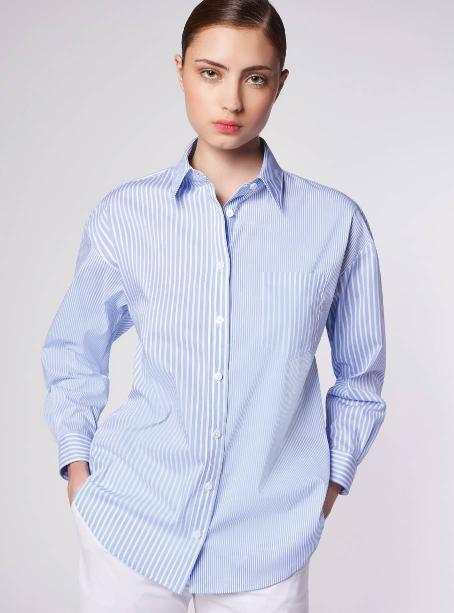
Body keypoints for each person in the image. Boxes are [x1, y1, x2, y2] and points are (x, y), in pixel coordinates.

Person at [41, 1, 387, 611]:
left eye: (255, 78)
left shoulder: (335, 224)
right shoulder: (127, 216)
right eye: (210, 73)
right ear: (180, 71)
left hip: (268, 541)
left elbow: (361, 377)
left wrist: (329, 484)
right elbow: (75, 348)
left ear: (279, 84)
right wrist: (77, 470)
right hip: (130, 525)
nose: (231, 100)